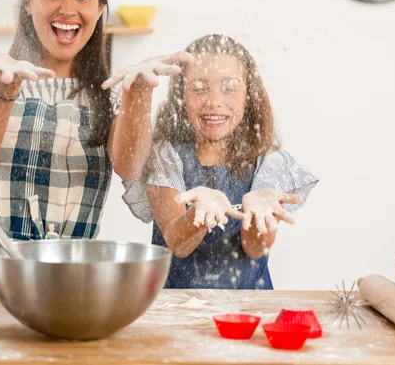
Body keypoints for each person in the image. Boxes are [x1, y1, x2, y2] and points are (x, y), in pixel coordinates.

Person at [0, 0, 192, 286]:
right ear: (28, 0)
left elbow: (128, 164)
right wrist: (2, 91)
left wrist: (139, 93)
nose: (68, 9)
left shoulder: (113, 92)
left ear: (100, 9)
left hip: (73, 282)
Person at [122, 34, 319, 289]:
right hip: (174, 307)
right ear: (181, 95)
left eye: (229, 88)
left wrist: (259, 215)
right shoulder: (166, 155)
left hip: (248, 308)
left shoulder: (268, 162)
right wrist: (199, 215)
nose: (214, 101)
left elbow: (256, 248)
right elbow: (178, 244)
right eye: (199, 87)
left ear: (249, 96)